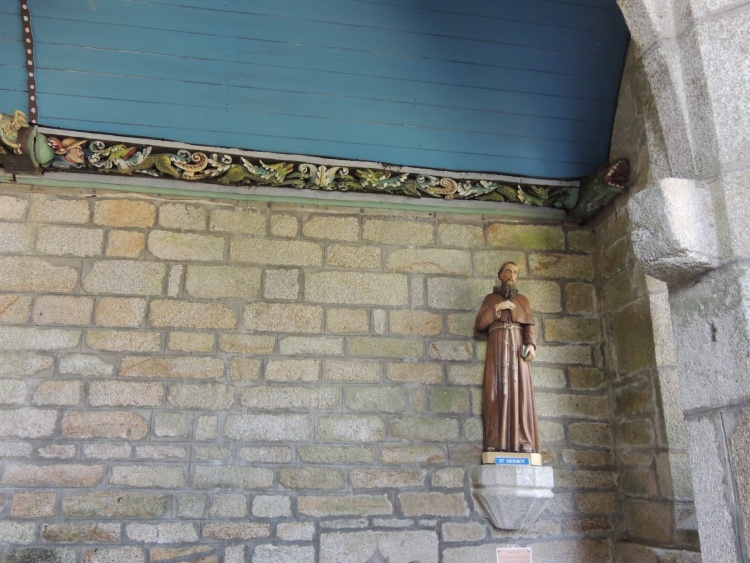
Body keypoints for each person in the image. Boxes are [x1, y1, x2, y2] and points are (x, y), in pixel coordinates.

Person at [475, 261, 541, 454]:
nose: (512, 275)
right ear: (501, 275)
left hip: (517, 351)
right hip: (497, 349)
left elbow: (529, 325)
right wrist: (498, 308)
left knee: (521, 394)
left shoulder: (522, 300)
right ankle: (495, 441)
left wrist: (531, 345)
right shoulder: (490, 298)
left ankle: (524, 441)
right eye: (508, 271)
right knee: (495, 393)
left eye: (515, 272)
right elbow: (480, 324)